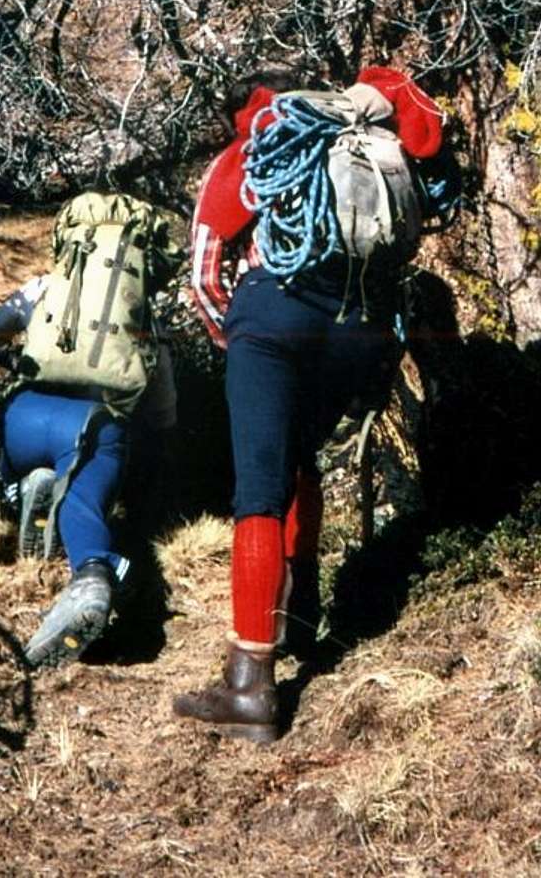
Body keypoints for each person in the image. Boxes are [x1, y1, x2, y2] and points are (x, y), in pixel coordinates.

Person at [174, 64, 446, 745]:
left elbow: (207, 271)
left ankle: (250, 684)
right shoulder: (358, 132)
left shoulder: (256, 145)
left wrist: (240, 339)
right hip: (360, 328)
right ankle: (298, 618)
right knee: (300, 458)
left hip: (274, 319)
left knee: (259, 489)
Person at [0, 198, 180, 670]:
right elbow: (162, 419)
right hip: (92, 431)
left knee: (19, 443)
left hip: (27, 418)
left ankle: (24, 491)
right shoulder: (144, 323)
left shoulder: (42, 289)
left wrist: (14, 361)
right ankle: (91, 575)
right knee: (84, 501)